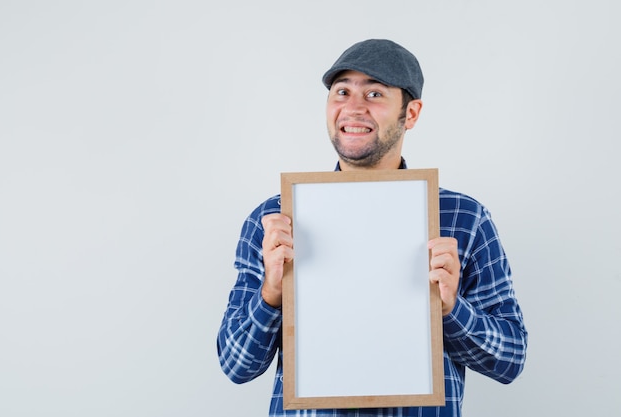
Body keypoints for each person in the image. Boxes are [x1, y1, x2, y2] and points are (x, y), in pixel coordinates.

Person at [217, 38, 528, 416]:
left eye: (375, 93)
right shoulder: (275, 220)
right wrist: (271, 292)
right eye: (342, 91)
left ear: (410, 113)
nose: (353, 107)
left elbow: (510, 359)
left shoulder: (464, 218)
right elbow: (236, 366)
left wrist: (450, 309)